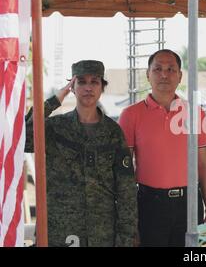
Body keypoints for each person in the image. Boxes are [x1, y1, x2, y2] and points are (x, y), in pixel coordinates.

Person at [25, 60, 137, 247]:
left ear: (102, 87)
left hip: (101, 234)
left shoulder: (113, 132)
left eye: (94, 82)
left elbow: (126, 190)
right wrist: (54, 101)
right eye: (82, 82)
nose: (88, 88)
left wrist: (126, 238)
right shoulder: (55, 127)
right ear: (72, 87)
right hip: (59, 232)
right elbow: (24, 139)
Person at [118, 49, 206, 247]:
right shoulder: (130, 115)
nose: (164, 74)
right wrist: (128, 218)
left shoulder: (195, 113)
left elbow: (204, 165)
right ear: (148, 74)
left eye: (171, 69)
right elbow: (123, 172)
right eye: (158, 69)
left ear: (180, 76)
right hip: (149, 204)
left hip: (189, 204)